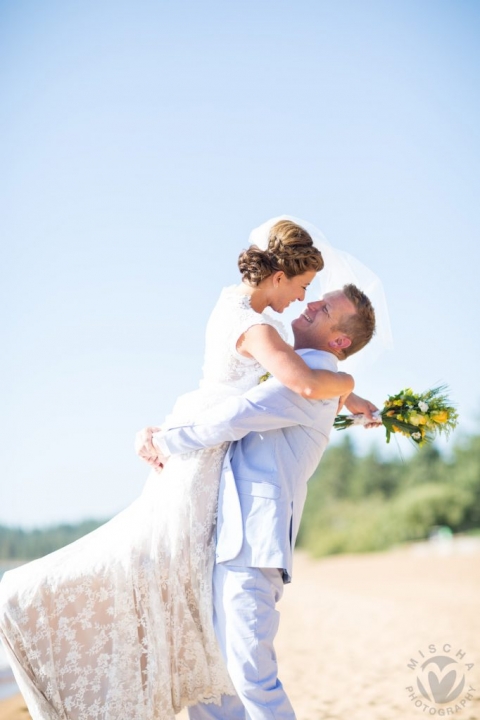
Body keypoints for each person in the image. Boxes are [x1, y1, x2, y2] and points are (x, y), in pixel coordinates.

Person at [0, 219, 372, 720]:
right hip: (201, 460)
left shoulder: (238, 309)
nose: (304, 301)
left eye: (317, 299)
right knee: (168, 594)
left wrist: (347, 389)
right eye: (306, 289)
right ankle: (30, 607)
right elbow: (298, 384)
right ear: (279, 275)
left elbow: (286, 390)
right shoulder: (263, 332)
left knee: (191, 620)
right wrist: (347, 384)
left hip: (207, 463)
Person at [141, 284, 377, 720]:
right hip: (231, 536)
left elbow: (237, 416)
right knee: (216, 678)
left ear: (339, 340)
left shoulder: (313, 381)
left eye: (322, 307)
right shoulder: (310, 375)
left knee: (252, 677)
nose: (309, 304)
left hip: (253, 542)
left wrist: (163, 440)